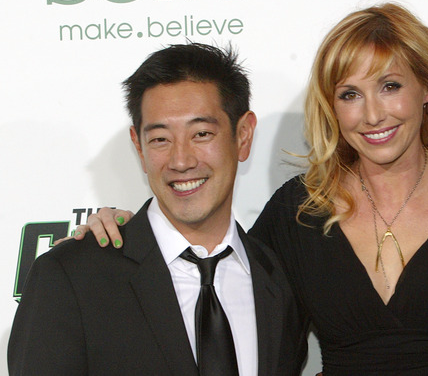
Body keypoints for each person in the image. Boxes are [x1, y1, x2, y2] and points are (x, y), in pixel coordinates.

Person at [74, 4, 428, 374]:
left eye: (390, 86)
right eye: (349, 95)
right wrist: (130, 236)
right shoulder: (299, 209)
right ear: (332, 107)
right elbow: (217, 286)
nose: (373, 115)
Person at [9, 43, 306, 376]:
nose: (181, 161)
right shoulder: (71, 277)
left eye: (202, 133)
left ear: (243, 135)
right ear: (138, 146)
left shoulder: (278, 281)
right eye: (160, 139)